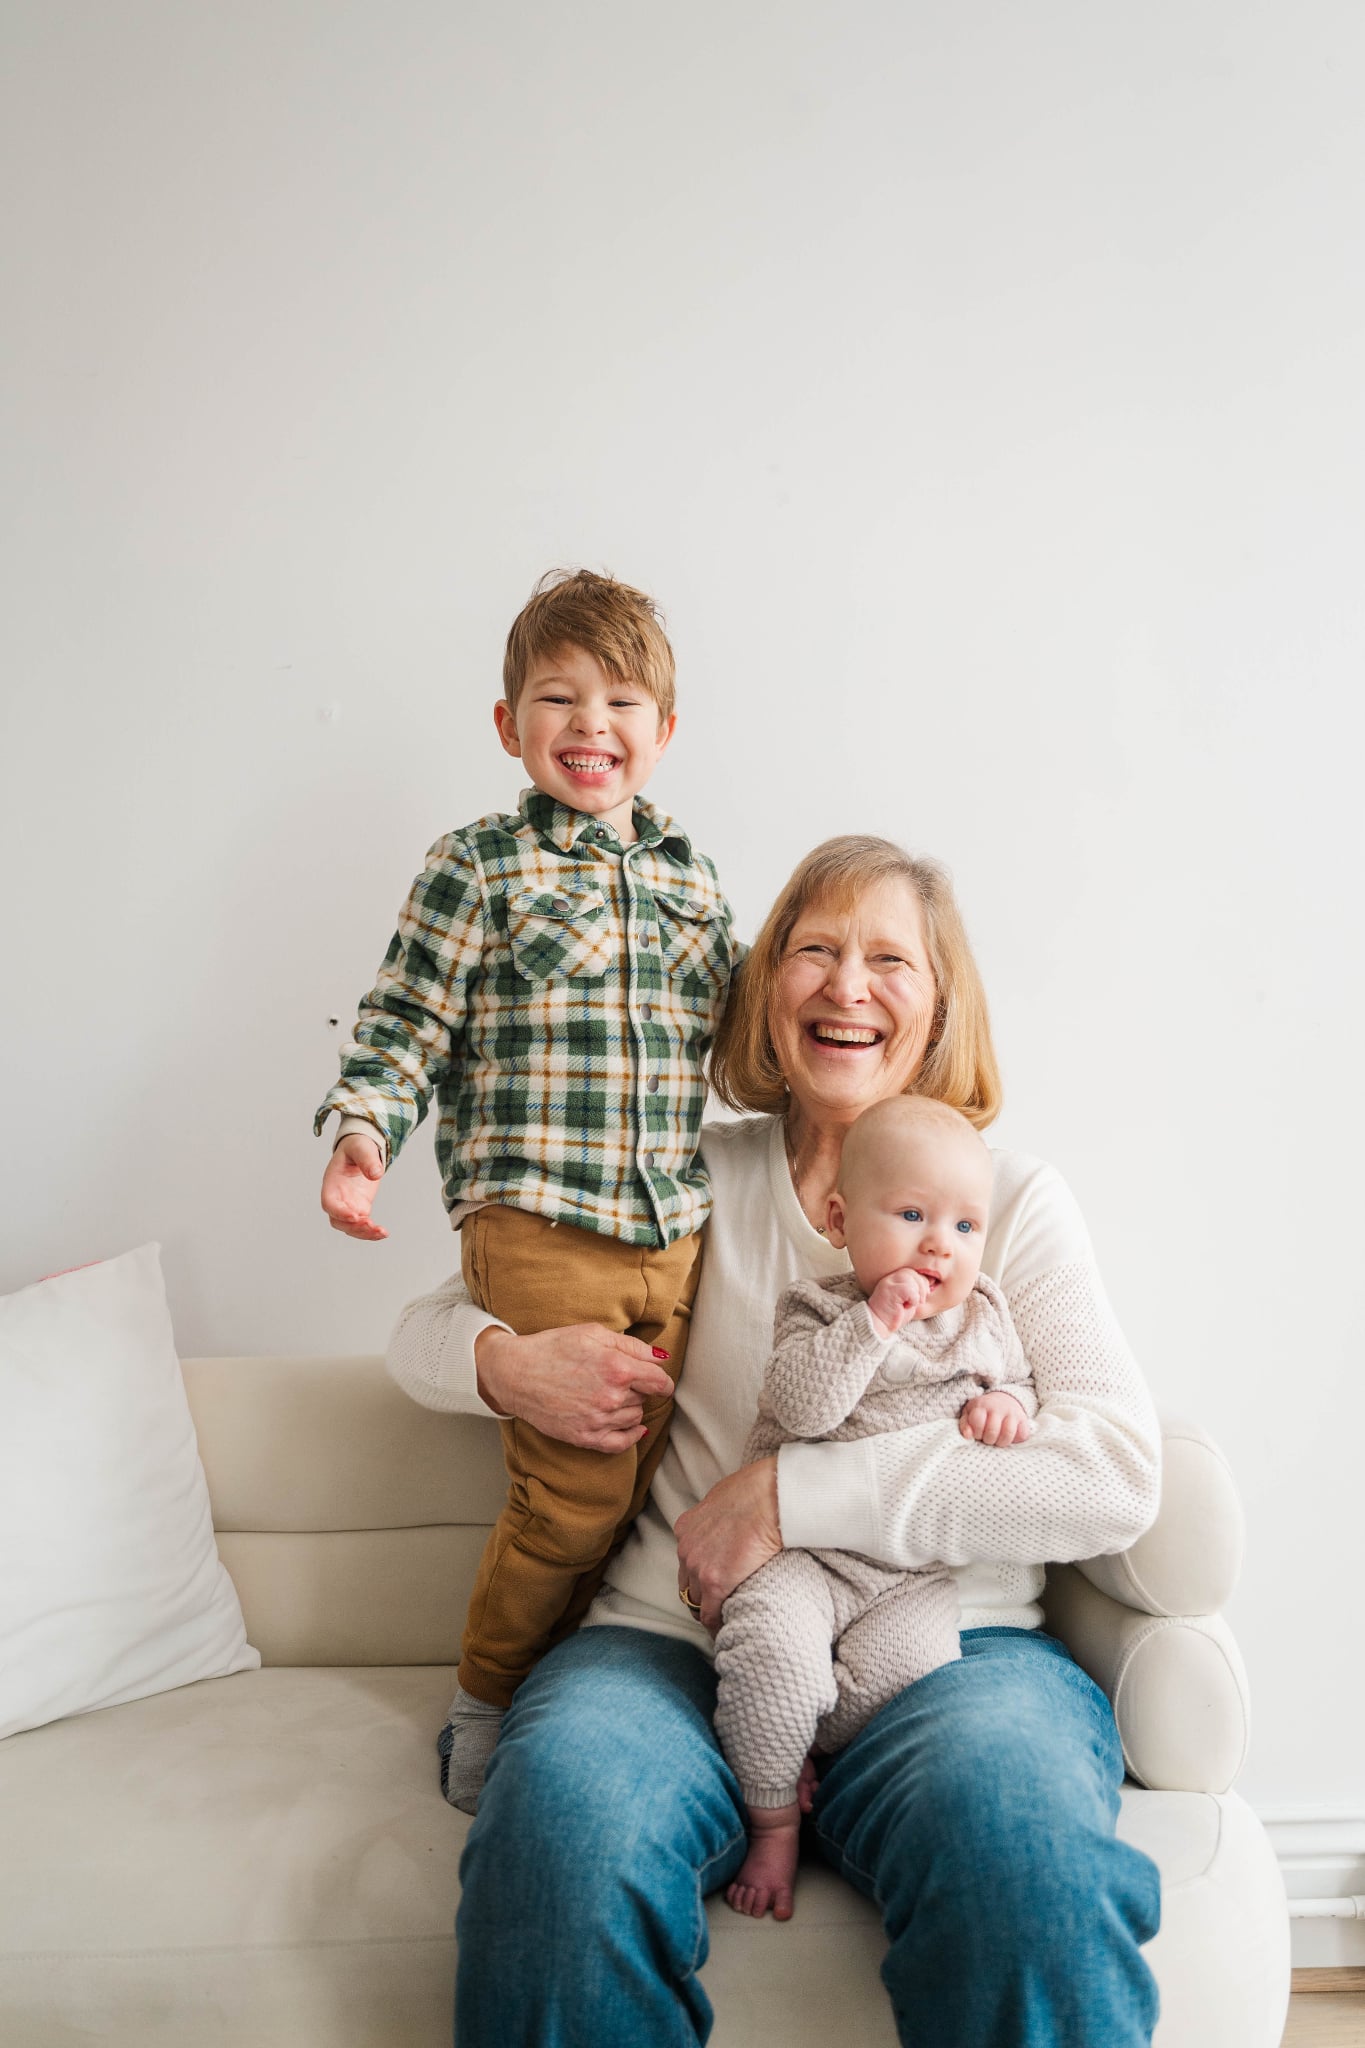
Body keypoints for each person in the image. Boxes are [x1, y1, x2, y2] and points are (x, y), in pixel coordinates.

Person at [387, 833, 1164, 2048]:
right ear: (765, 984)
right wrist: (506, 1363)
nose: (848, 985)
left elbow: (1111, 1473)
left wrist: (792, 1496)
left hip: (954, 1655)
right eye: (814, 949)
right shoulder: (672, 1176)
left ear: (940, 1004)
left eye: (889, 959)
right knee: (559, 1848)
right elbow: (420, 1332)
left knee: (1030, 1868)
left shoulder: (1005, 1201)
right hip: (672, 1646)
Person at [314, 569, 737, 1812]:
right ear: (509, 725)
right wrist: (362, 1133)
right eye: (558, 697)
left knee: (648, 1486)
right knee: (572, 1495)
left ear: (665, 730)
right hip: (540, 1217)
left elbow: (743, 1041)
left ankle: (583, 1697)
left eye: (621, 701)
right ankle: (486, 1701)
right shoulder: (481, 866)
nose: (590, 722)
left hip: (677, 1227)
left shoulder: (695, 879)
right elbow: (404, 1020)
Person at [714, 1092, 1037, 1922]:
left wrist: (1008, 1403)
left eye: (964, 1225)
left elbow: (1021, 1383)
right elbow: (801, 1409)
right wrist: (873, 1324)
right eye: (911, 1215)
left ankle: (801, 1740)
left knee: (910, 1676)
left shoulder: (985, 1315)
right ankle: (773, 1818)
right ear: (839, 1219)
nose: (939, 1244)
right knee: (773, 1659)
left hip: (909, 1577)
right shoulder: (815, 1310)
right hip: (799, 1560)